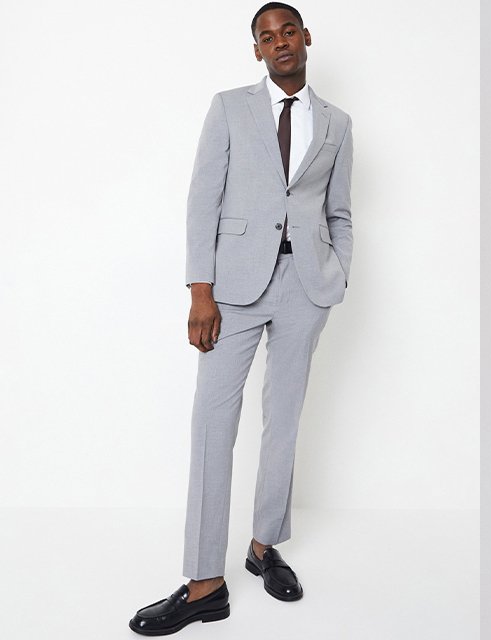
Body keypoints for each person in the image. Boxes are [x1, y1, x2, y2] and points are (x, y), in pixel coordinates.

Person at [129, 2, 354, 634]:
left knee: (283, 421)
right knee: (212, 425)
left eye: (289, 31)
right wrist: (201, 292)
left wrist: (337, 274)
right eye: (267, 36)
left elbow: (340, 211)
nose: (280, 42)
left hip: (306, 289)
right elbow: (203, 199)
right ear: (256, 50)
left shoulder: (338, 123)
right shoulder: (229, 108)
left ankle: (263, 547)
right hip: (232, 290)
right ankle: (204, 581)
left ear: (306, 39)